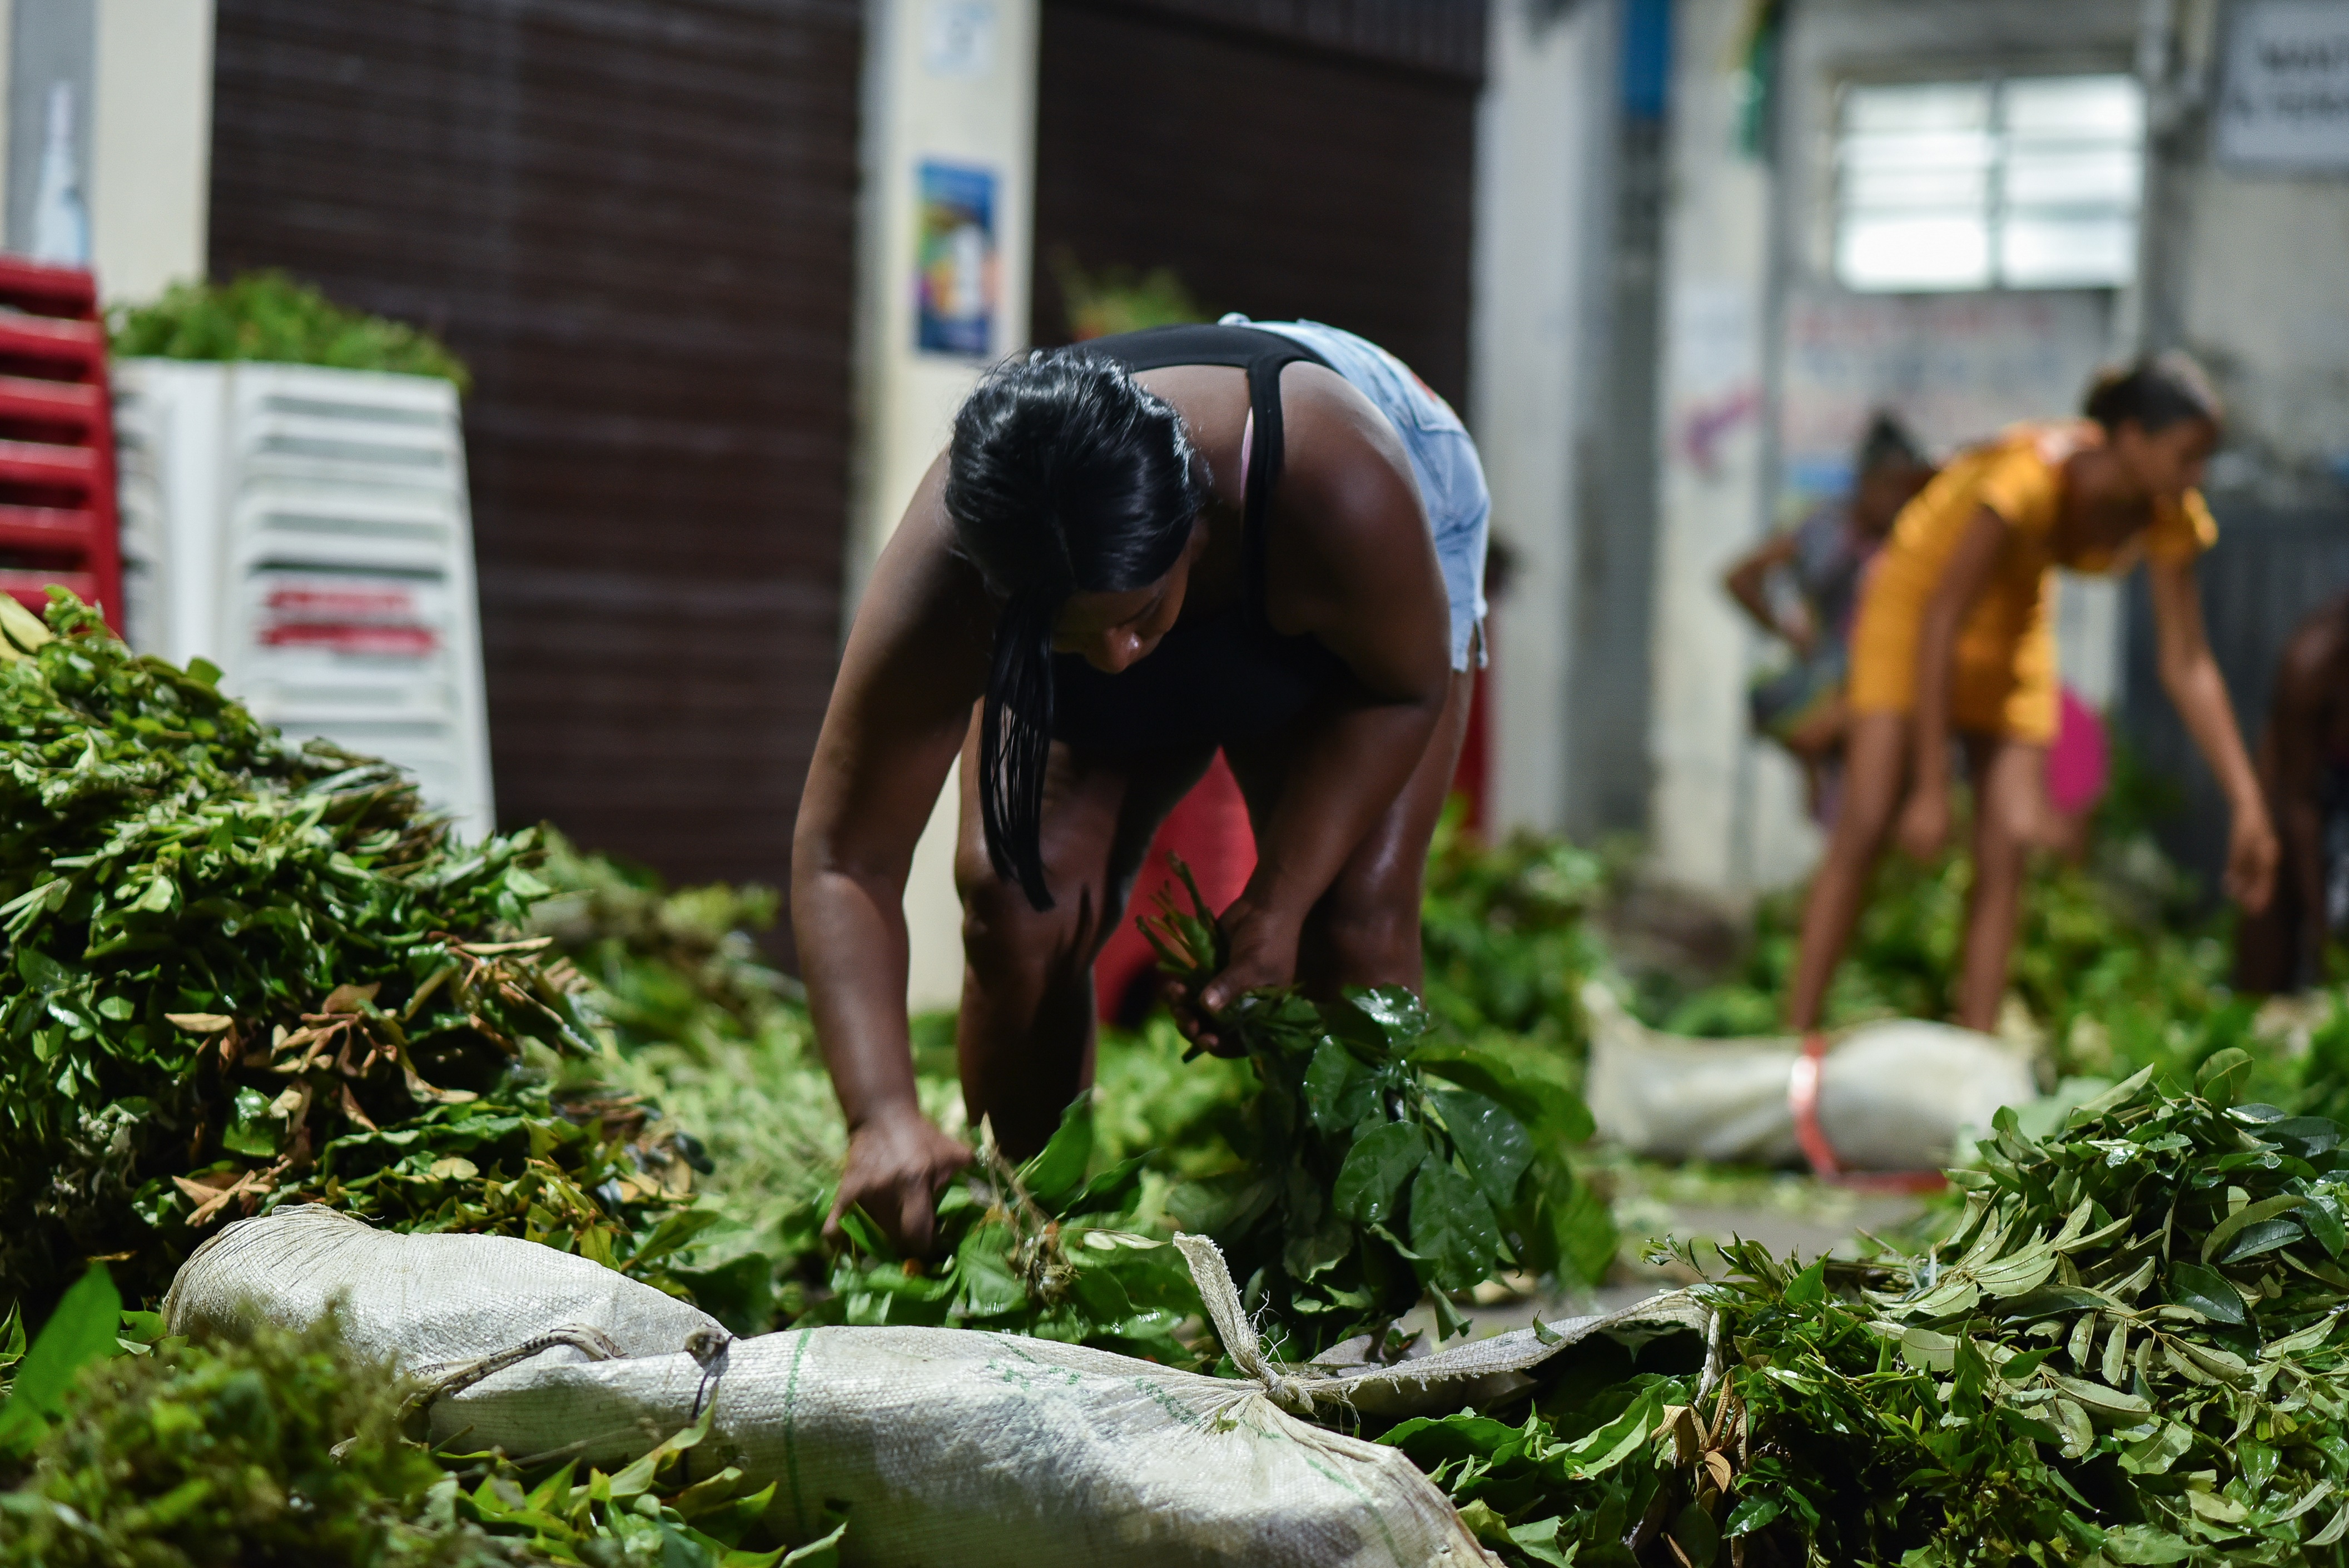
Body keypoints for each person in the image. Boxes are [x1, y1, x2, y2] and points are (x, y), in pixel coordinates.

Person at [792, 317, 1489, 1251]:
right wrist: (879, 1117)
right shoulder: (958, 562)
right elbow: (847, 856)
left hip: (1368, 525)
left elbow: (1401, 690)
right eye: (1080, 639)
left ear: (1192, 531)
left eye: (1140, 620)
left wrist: (1276, 904)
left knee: (1351, 924)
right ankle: (1039, 1238)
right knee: (1015, 907)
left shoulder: (1332, 483)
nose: (1121, 664)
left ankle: (1363, 1278)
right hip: (1112, 568)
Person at [1786, 354, 2278, 1039]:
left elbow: (2186, 661)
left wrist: (2246, 800)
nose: (2193, 478)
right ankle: (1794, 1039)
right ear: (2130, 437)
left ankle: (1975, 1049)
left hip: (2014, 621)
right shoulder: (2025, 476)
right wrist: (1930, 783)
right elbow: (1940, 621)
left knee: (2008, 841)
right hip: (1915, 609)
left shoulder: (2166, 515)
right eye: (2184, 456)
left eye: (2202, 462)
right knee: (1868, 818)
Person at [1724, 414, 1935, 818]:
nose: (1896, 501)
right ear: (1865, 482)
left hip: (1888, 678)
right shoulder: (1826, 530)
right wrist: (1788, 632)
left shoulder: (1913, 537)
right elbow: (1740, 577)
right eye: (1889, 487)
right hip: (1834, 676)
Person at [2235, 593, 2349, 994]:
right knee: (2269, 917)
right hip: (2298, 796)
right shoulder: (2312, 662)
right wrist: (2322, 933)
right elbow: (2299, 807)